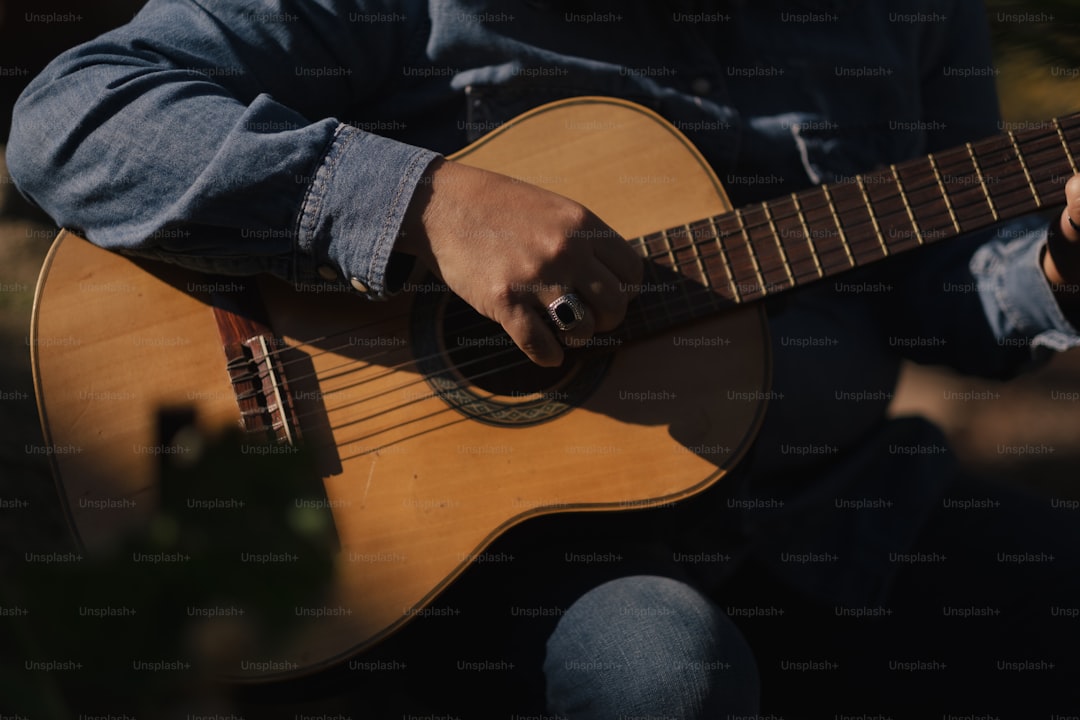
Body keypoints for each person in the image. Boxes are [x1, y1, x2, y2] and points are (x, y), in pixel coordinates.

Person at [8, 0, 1080, 716]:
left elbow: (944, 295)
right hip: (500, 569)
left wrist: (1059, 264)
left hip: (833, 515)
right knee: (667, 679)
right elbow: (77, 113)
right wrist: (421, 203)